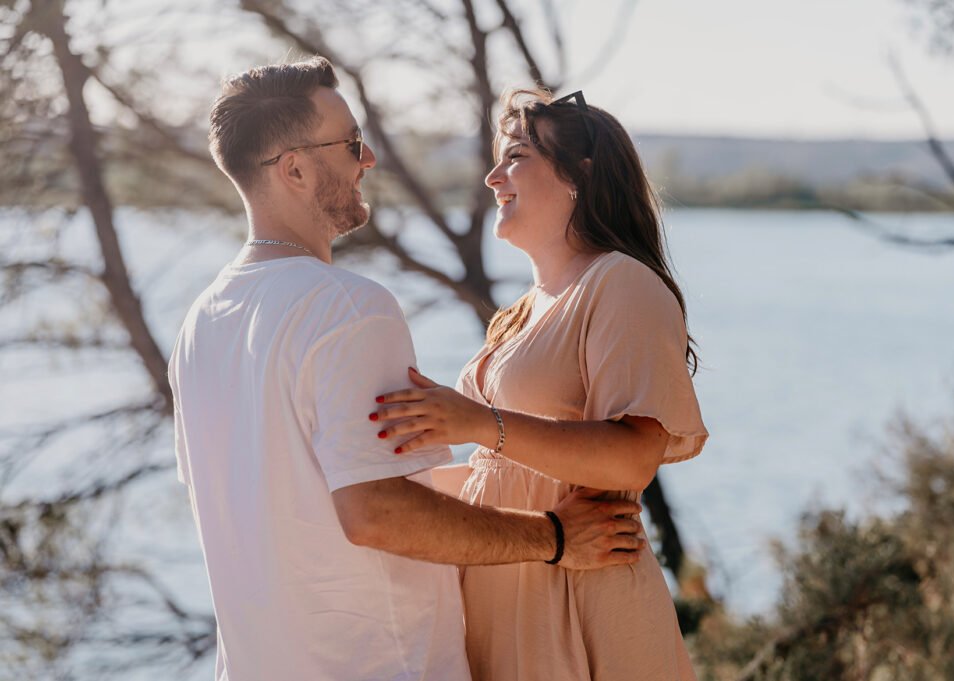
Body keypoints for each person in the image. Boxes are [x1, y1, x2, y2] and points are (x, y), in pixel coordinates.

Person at [168, 60, 647, 681]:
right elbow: (376, 512)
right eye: (349, 144)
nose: (366, 159)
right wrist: (554, 536)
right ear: (294, 168)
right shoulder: (346, 307)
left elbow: (302, 498)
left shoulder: (201, 323)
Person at [373, 89, 709, 681]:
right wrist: (368, 495)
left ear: (580, 174)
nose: (492, 176)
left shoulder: (622, 285)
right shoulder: (521, 313)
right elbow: (499, 476)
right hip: (505, 588)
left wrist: (478, 423)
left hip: (577, 603)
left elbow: (634, 457)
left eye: (517, 156)